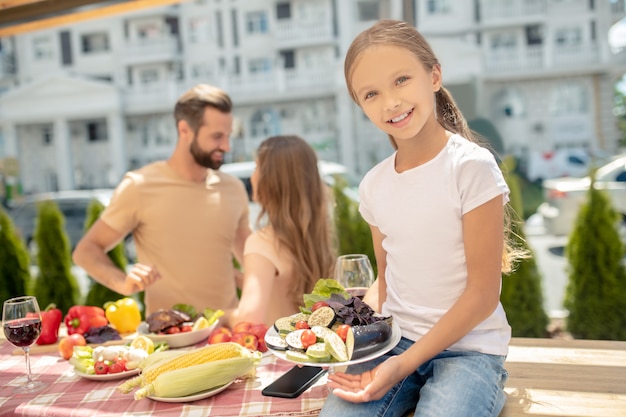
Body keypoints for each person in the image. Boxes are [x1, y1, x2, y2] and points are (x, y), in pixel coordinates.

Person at [320, 20, 526, 417]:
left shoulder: (471, 167)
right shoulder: (374, 185)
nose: (391, 102)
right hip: (394, 343)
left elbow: (483, 295)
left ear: (433, 75)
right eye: (371, 94)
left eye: (401, 80)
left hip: (470, 350)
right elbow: (385, 278)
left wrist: (405, 362)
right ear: (361, 106)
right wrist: (353, 340)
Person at [72, 84, 251, 316]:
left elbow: (253, 262)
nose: (226, 146)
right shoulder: (139, 186)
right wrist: (123, 282)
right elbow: (86, 251)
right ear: (184, 129)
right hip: (169, 339)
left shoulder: (233, 189)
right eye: (217, 136)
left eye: (228, 136)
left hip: (228, 335)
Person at [222, 135, 336, 328]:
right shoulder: (317, 236)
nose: (252, 176)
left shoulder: (261, 242)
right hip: (310, 351)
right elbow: (283, 287)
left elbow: (248, 320)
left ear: (272, 182)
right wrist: (237, 278)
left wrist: (223, 316)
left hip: (278, 354)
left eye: (257, 167)